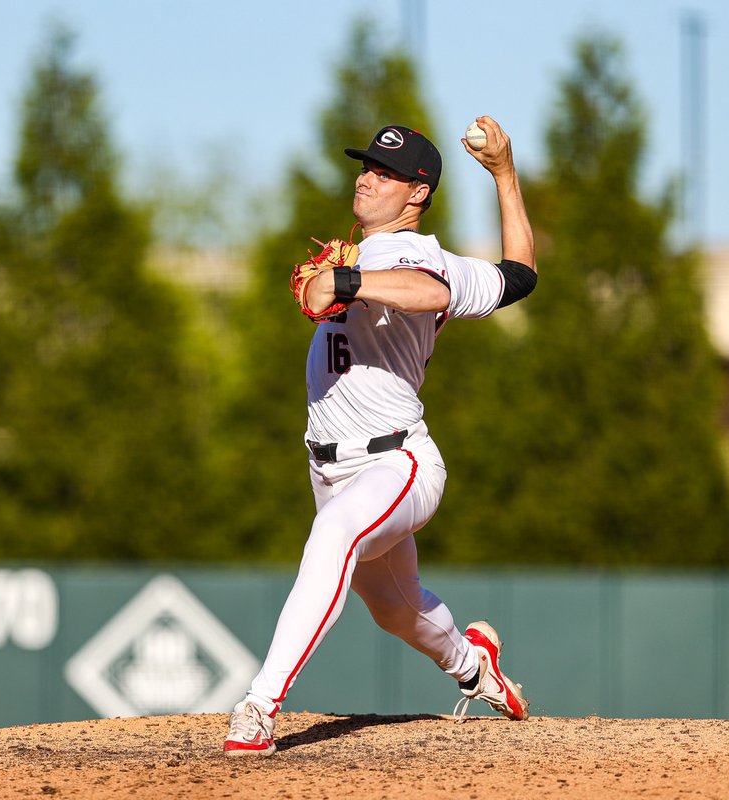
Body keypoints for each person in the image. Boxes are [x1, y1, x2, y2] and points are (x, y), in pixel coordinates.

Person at [223, 117, 538, 757]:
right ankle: (477, 665)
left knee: (333, 535)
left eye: (386, 172)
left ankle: (259, 705)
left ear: (417, 193)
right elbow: (519, 272)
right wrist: (504, 176)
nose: (367, 177)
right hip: (330, 467)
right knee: (397, 611)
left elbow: (427, 291)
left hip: (399, 462)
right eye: (366, 166)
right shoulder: (358, 255)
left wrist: (347, 283)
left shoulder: (419, 257)